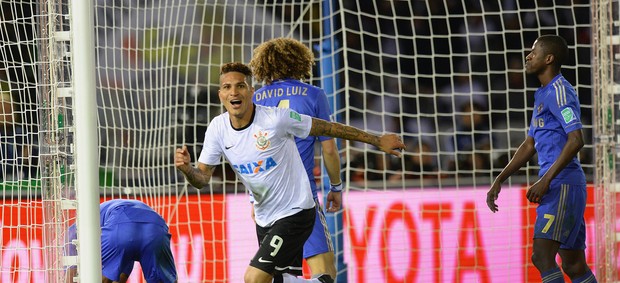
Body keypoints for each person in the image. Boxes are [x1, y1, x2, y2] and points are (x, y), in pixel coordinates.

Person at [175, 62, 405, 283]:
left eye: (240, 85)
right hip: (265, 218)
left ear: (251, 91)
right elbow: (201, 179)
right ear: (220, 95)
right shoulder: (217, 128)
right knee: (276, 279)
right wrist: (187, 169)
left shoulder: (276, 118)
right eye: (227, 87)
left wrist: (377, 140)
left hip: (296, 211)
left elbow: (329, 128)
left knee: (253, 278)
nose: (234, 91)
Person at [486, 35, 597, 283]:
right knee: (574, 265)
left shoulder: (559, 91)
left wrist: (546, 180)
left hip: (562, 184)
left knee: (542, 256)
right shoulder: (542, 94)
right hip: (562, 185)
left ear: (549, 59)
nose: (528, 56)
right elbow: (529, 144)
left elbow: (576, 139)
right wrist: (500, 178)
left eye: (533, 52)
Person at [249, 37, 342, 281]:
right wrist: (336, 187)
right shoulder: (314, 95)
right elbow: (330, 150)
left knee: (281, 274)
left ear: (264, 66)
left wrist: (253, 198)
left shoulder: (256, 99)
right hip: (303, 198)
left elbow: (251, 154)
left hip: (268, 200)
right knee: (325, 273)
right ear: (301, 62)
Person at [65, 199, 178, 283]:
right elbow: (121, 275)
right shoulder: (98, 217)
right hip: (156, 227)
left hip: (120, 223)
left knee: (101, 278)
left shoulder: (75, 232)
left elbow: (69, 275)